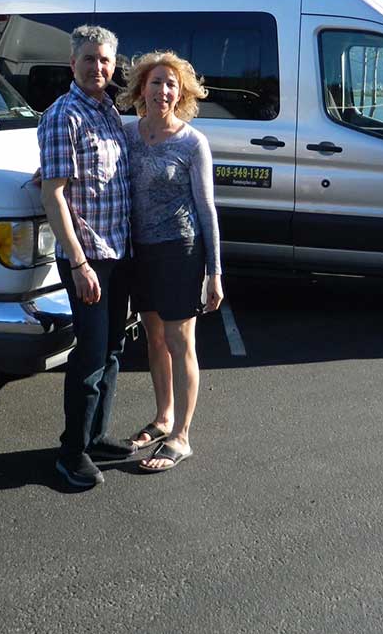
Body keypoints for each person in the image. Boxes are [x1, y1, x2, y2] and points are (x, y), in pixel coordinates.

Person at [38, 24, 136, 489]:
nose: (99, 67)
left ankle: (96, 436)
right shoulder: (64, 115)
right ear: (72, 64)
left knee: (113, 350)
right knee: (91, 356)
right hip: (88, 257)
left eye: (105, 60)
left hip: (118, 251)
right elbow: (53, 194)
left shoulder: (109, 112)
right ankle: (70, 452)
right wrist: (77, 263)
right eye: (90, 59)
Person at [117, 51, 223, 473]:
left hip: (180, 251)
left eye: (171, 84)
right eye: (156, 82)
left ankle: (181, 436)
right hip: (141, 250)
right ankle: (163, 418)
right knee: (154, 341)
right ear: (141, 88)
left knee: (181, 344)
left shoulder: (191, 142)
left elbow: (208, 207)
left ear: (182, 94)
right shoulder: (129, 134)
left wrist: (214, 271)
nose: (163, 90)